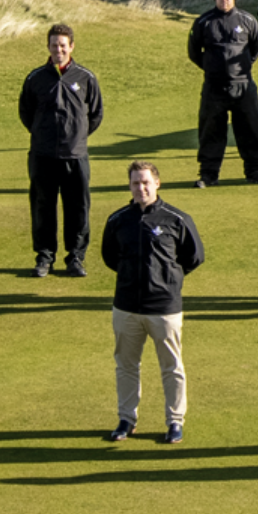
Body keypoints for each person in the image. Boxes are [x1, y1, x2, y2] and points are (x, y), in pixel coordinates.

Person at [100, 160, 204, 444]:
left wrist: (167, 280)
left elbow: (193, 257)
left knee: (171, 366)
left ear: (157, 183)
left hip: (164, 308)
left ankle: (175, 422)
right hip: (126, 307)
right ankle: (126, 419)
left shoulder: (176, 219)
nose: (141, 187)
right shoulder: (117, 220)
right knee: (126, 366)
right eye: (135, 183)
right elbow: (110, 257)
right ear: (129, 186)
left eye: (146, 182)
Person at [16, 24, 103, 277]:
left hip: (75, 155)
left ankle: (75, 257)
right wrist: (42, 134)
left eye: (63, 45)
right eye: (54, 45)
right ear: (48, 47)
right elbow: (25, 112)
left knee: (78, 208)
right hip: (42, 155)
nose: (59, 50)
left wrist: (77, 136)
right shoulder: (35, 78)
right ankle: (44, 257)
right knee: (43, 207)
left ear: (72, 47)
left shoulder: (85, 77)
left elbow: (96, 114)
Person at [186, 0, 258, 186]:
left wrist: (242, 67)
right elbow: (194, 52)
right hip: (214, 88)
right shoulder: (204, 22)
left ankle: (254, 172)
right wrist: (213, 68)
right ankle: (208, 175)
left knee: (249, 129)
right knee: (211, 130)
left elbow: (256, 47)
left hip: (243, 86)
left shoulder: (247, 20)